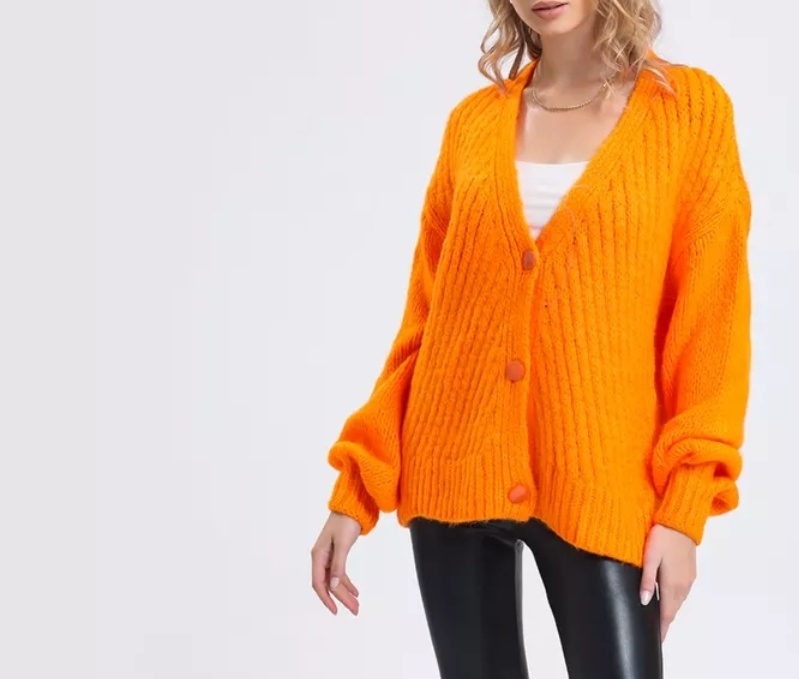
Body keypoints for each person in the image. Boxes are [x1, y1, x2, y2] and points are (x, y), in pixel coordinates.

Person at [310, 1, 752, 677]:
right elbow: (426, 324)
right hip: (452, 469)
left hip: (601, 483)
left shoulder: (685, 109)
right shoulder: (472, 123)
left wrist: (684, 508)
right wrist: (356, 488)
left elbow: (710, 323)